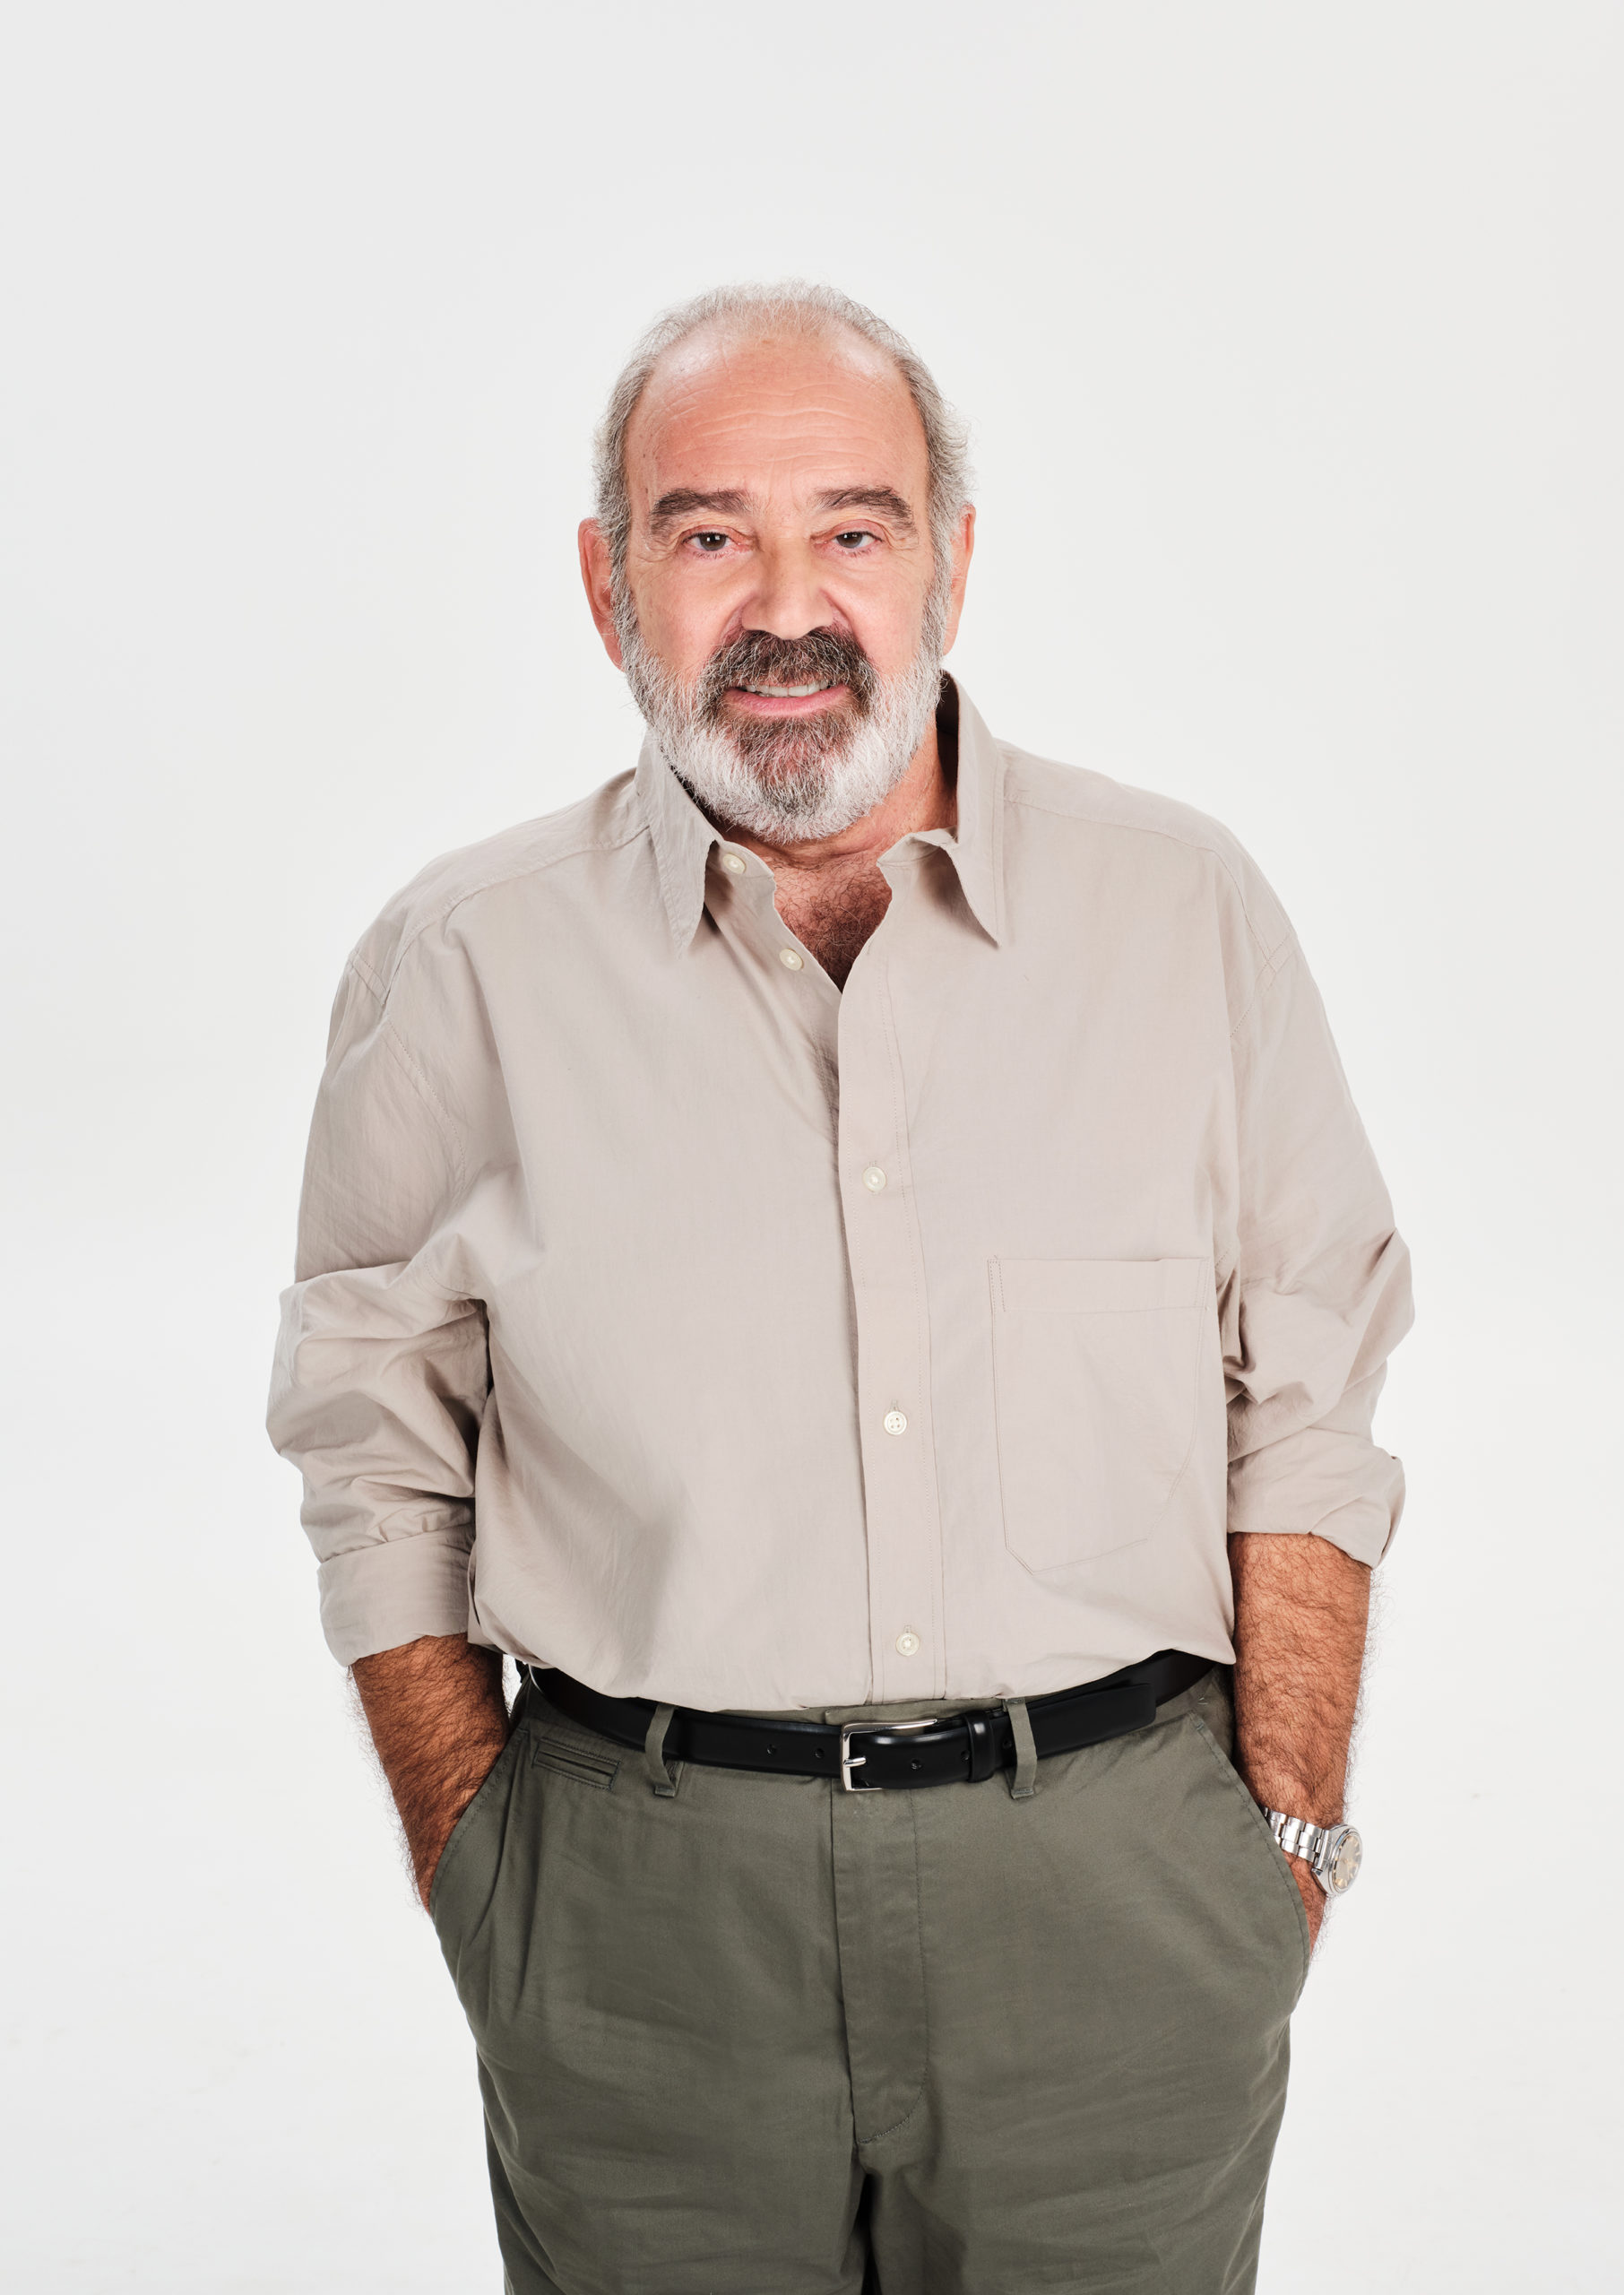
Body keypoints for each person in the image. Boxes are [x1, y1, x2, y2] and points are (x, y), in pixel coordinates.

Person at [268, 281, 1412, 2294]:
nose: (787, 607)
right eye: (709, 534)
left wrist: (1286, 1835)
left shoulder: (1184, 913)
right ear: (610, 586)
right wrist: (481, 1863)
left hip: (1118, 1908)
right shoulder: (462, 967)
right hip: (638, 1919)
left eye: (855, 530)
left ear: (951, 562)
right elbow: (373, 1445)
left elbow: (1308, 1379)